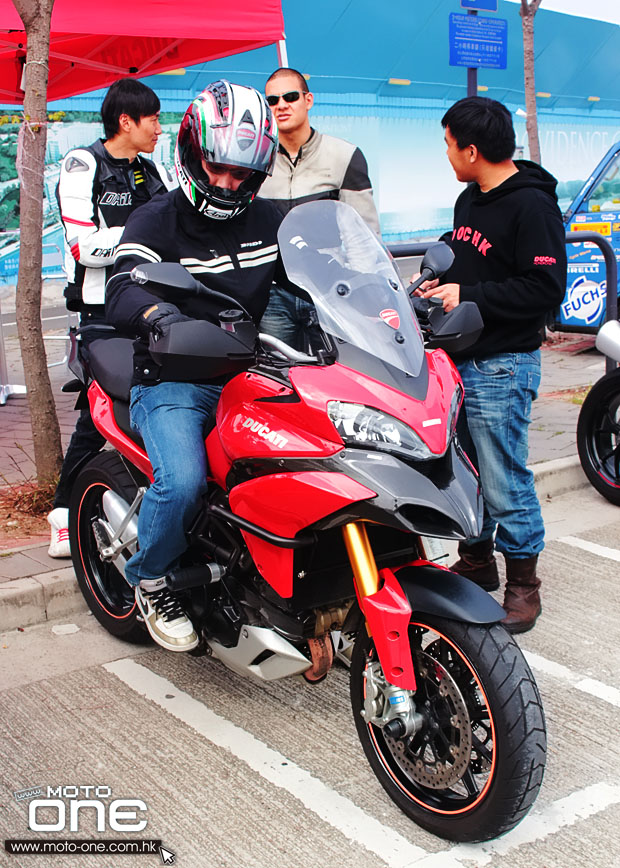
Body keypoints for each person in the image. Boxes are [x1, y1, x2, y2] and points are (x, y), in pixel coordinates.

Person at [105, 80, 281, 652]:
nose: (230, 182)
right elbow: (122, 286)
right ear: (190, 152)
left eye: (244, 174)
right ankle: (150, 577)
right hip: (175, 378)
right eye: (219, 167)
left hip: (251, 374)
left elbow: (319, 275)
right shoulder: (158, 220)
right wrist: (158, 316)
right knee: (181, 484)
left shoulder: (271, 220)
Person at [414, 96, 567, 633]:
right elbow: (463, 254)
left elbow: (546, 287)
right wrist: (437, 279)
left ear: (472, 150)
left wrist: (470, 293)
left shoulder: (532, 207)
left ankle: (523, 583)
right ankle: (476, 562)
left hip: (503, 365)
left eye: (449, 145)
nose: (447, 155)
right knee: (465, 471)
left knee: (503, 477)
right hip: (456, 361)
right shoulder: (469, 200)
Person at [48, 78, 174, 557]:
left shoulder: (148, 169)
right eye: (153, 119)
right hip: (101, 310)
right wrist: (143, 238)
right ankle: (63, 513)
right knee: (93, 413)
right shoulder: (82, 165)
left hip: (151, 303)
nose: (158, 129)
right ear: (126, 121)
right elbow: (84, 246)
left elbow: (173, 223)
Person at [257, 67, 380, 350]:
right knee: (278, 378)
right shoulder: (258, 160)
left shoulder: (343, 155)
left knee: (341, 373)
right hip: (274, 293)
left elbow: (363, 236)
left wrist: (361, 291)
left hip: (330, 290)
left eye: (290, 97)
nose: (281, 106)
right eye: (272, 101)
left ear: (308, 100)